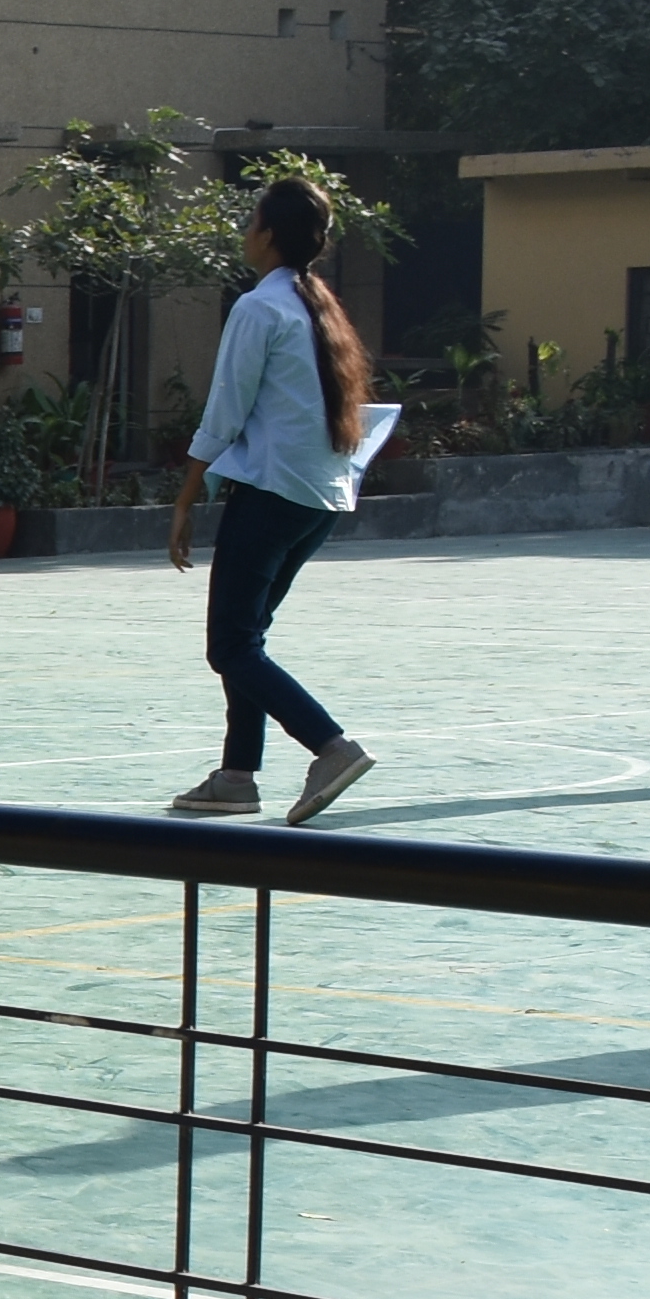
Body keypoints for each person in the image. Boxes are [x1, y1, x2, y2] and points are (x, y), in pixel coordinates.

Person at [161, 172, 394, 824]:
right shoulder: (315, 305)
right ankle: (237, 774)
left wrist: (185, 498)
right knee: (248, 636)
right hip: (318, 498)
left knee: (230, 646)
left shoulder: (259, 308)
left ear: (267, 234)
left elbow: (225, 411)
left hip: (272, 494)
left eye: (251, 221)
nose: (245, 232)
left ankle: (330, 746)